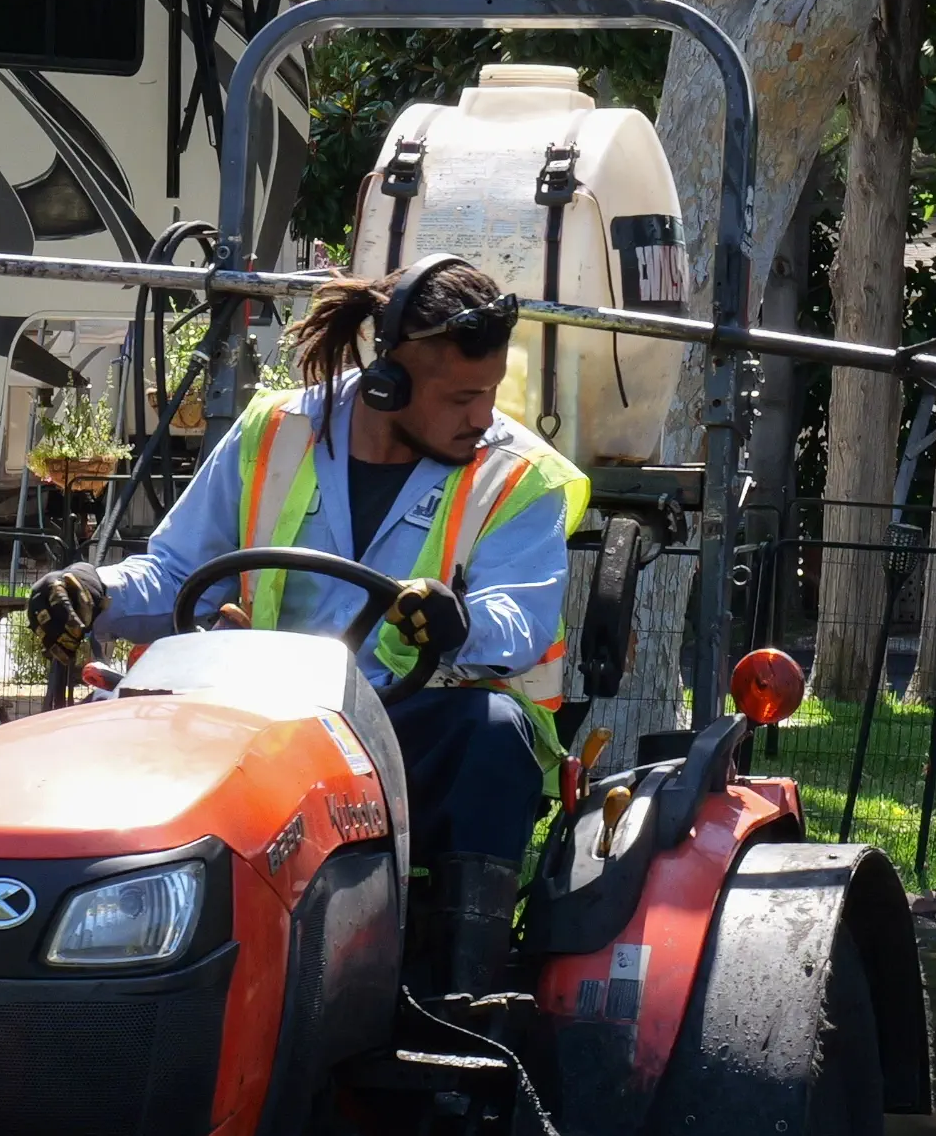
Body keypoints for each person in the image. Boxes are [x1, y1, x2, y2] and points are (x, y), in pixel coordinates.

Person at [30, 256, 587, 1000]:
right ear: (388, 380)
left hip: (405, 733)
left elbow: (517, 619)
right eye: (462, 397)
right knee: (109, 725)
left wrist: (456, 624)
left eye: (487, 395)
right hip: (260, 724)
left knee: (491, 732)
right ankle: (108, 974)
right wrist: (92, 589)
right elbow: (172, 574)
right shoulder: (273, 433)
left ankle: (464, 1001)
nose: (482, 416)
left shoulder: (521, 477)